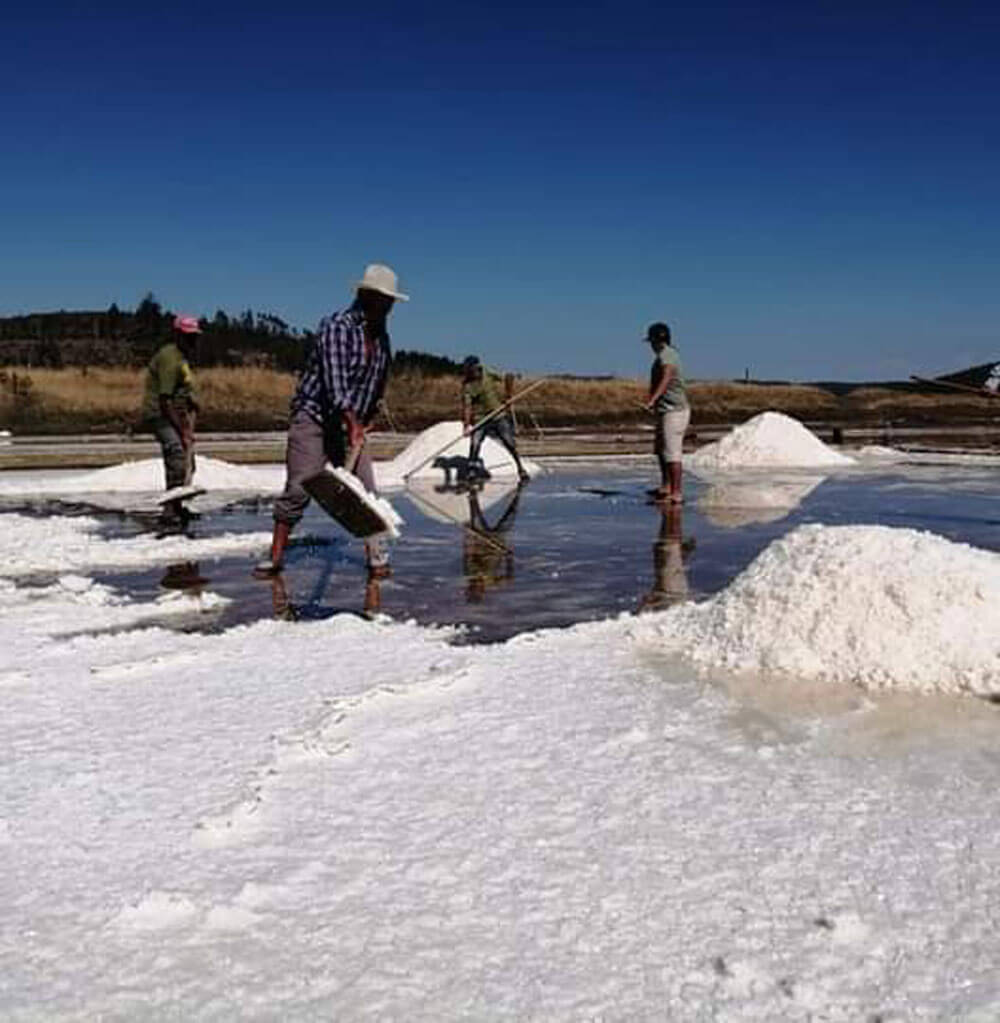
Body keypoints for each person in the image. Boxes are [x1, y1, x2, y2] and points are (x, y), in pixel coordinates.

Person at [256, 263, 406, 576]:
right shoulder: (338, 327)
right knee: (299, 487)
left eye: (391, 302)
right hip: (315, 417)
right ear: (366, 296)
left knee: (366, 492)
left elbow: (377, 382)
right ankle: (275, 556)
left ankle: (376, 556)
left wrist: (367, 418)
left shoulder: (382, 338)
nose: (389, 307)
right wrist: (351, 421)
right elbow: (336, 384)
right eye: (383, 300)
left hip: (353, 423)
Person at [143, 314, 200, 524]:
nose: (192, 340)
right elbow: (165, 399)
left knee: (187, 461)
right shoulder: (170, 358)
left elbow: (182, 388)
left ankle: (178, 505)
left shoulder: (182, 357)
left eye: (194, 336)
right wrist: (182, 431)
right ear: (178, 335)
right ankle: (169, 509)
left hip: (178, 413)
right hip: (161, 414)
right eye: (188, 336)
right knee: (176, 452)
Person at [461, 356, 529, 482]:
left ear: (476, 367)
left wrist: (508, 396)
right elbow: (467, 407)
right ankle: (471, 471)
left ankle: (521, 469)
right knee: (475, 443)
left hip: (498, 415)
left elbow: (508, 377)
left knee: (509, 442)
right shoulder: (467, 386)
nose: (470, 373)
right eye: (468, 370)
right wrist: (466, 426)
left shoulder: (487, 372)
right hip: (481, 418)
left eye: (471, 369)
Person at [643, 322, 690, 503]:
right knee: (661, 450)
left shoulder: (668, 356)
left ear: (657, 340)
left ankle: (676, 493)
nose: (651, 346)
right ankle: (666, 486)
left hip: (675, 412)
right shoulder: (664, 355)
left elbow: (667, 377)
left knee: (672, 452)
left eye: (652, 341)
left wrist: (652, 399)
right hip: (665, 411)